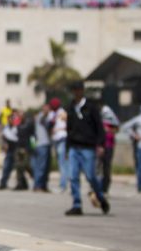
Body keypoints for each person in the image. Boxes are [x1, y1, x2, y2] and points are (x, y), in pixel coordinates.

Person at [65, 80, 110, 216]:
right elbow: (69, 128)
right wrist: (68, 148)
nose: (76, 92)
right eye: (74, 90)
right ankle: (77, 204)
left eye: (78, 89)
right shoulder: (71, 107)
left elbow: (99, 127)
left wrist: (101, 145)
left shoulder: (91, 107)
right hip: (74, 146)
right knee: (73, 176)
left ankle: (101, 198)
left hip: (88, 147)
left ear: (82, 91)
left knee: (90, 176)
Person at [48, 98, 69, 192]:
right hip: (55, 139)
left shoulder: (62, 112)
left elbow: (67, 125)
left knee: (62, 163)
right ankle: (63, 183)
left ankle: (63, 185)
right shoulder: (52, 113)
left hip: (62, 138)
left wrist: (58, 130)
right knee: (60, 162)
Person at [99, 105, 120, 194]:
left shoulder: (113, 121)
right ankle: (96, 187)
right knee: (97, 168)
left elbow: (117, 129)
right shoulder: (99, 120)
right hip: (100, 146)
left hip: (109, 146)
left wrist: (109, 130)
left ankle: (105, 188)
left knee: (106, 168)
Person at [32, 104, 52, 192]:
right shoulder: (40, 117)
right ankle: (37, 185)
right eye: (46, 109)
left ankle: (43, 185)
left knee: (46, 167)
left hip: (46, 144)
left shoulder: (46, 117)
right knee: (41, 166)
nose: (47, 110)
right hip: (41, 144)